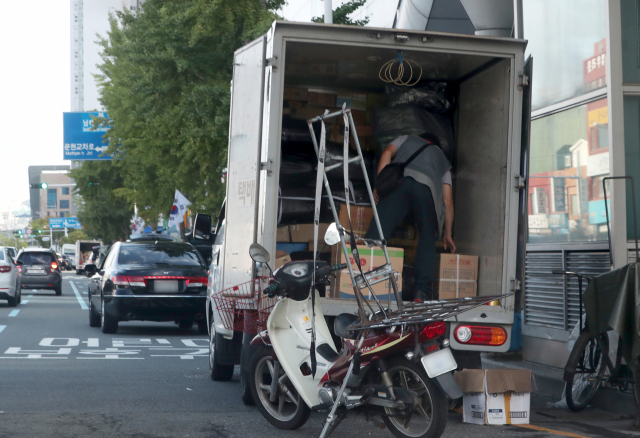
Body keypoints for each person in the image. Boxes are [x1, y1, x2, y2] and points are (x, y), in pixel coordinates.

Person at [365, 132, 455, 302]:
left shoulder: (406, 139)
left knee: (379, 229)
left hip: (400, 183)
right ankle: (421, 292)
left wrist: (380, 185)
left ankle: (365, 278)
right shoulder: (442, 158)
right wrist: (447, 233)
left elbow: (386, 154)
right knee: (427, 239)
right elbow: (447, 200)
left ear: (421, 139)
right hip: (426, 191)